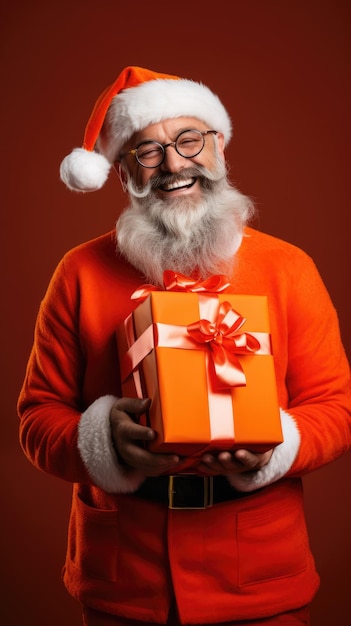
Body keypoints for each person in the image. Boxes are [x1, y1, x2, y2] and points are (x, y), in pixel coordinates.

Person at [18, 66, 351, 626]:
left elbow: (337, 410)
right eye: (146, 152)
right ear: (123, 174)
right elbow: (36, 417)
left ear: (218, 147)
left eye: (189, 140)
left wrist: (277, 447)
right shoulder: (79, 272)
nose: (174, 165)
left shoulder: (289, 267)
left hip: (258, 574)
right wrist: (102, 441)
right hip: (125, 577)